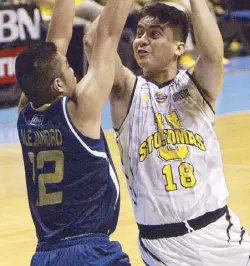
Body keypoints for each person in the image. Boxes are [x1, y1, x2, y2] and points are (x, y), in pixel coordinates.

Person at [84, 0, 250, 265]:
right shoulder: (126, 92)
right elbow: (94, 43)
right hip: (163, 246)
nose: (141, 41)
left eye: (154, 34)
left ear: (179, 48)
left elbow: (212, 54)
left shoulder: (198, 86)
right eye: (139, 33)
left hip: (220, 234)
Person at [15, 0, 134, 264]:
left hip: (45, 254)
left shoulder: (25, 114)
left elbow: (58, 38)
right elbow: (109, 35)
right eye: (68, 66)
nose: (72, 70)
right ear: (58, 84)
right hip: (90, 250)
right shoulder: (79, 111)